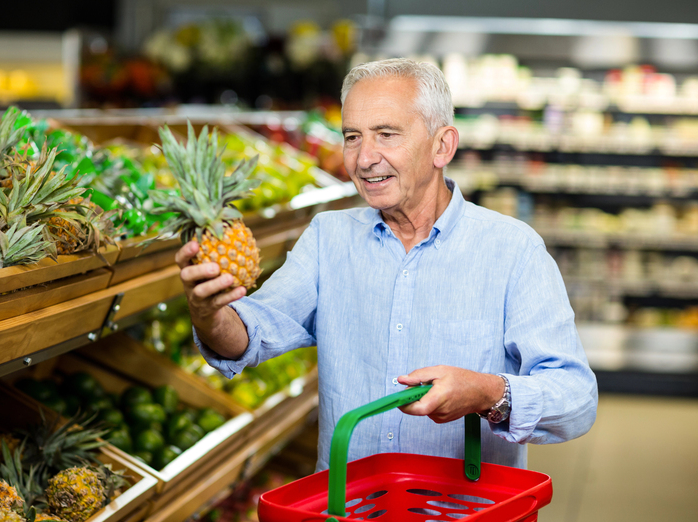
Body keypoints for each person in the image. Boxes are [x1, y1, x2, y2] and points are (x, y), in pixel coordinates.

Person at [175, 58, 598, 472]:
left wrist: (489, 393)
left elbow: (576, 400)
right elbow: (251, 334)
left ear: (442, 145)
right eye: (353, 137)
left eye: (387, 134)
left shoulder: (513, 249)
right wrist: (208, 312)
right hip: (349, 520)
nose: (363, 159)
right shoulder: (328, 238)